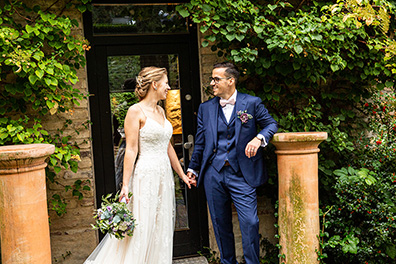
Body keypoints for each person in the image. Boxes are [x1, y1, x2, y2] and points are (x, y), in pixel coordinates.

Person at [85, 66, 195, 264]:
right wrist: (125, 185)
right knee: (142, 227)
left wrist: (182, 174)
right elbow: (131, 150)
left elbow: (167, 146)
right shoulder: (135, 111)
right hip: (146, 175)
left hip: (164, 177)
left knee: (160, 227)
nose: (168, 87)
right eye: (166, 83)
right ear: (154, 84)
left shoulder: (161, 110)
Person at [187, 62, 278, 264]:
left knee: (250, 222)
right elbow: (200, 142)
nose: (212, 83)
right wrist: (193, 168)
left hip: (242, 173)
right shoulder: (206, 108)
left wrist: (259, 138)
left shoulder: (251, 103)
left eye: (216, 79)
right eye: (212, 79)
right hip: (213, 173)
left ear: (231, 80)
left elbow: (271, 124)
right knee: (220, 224)